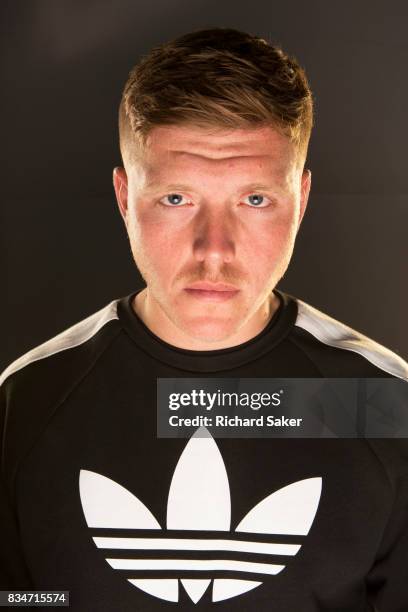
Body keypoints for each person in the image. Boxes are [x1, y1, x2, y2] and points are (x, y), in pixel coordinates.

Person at [1, 28, 407, 611]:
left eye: (255, 200)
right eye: (176, 199)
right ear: (124, 198)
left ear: (302, 199)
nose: (214, 250)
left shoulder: (381, 403)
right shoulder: (27, 403)